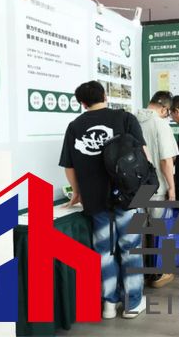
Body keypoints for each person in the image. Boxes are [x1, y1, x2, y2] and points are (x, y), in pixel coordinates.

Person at [59, 81, 147, 320]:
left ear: (82, 103)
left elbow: (69, 166)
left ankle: (109, 304)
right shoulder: (125, 118)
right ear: (105, 96)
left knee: (104, 252)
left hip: (95, 199)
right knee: (130, 249)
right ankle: (132, 303)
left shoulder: (75, 126)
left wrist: (77, 192)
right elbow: (142, 156)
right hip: (127, 197)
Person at [136, 91, 179, 288]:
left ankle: (140, 275)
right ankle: (156, 275)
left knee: (139, 233)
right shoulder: (161, 124)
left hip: (135, 188)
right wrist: (172, 188)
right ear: (164, 108)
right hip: (157, 187)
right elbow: (166, 161)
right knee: (158, 231)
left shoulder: (132, 119)